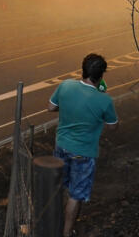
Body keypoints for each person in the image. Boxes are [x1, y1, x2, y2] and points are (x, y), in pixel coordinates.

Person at [48, 53, 119, 237]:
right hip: (83, 153)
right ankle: (66, 232)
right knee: (76, 195)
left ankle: (53, 223)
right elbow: (113, 127)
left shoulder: (65, 85)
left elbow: (51, 108)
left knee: (60, 187)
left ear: (83, 70)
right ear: (101, 75)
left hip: (61, 146)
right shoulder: (104, 99)